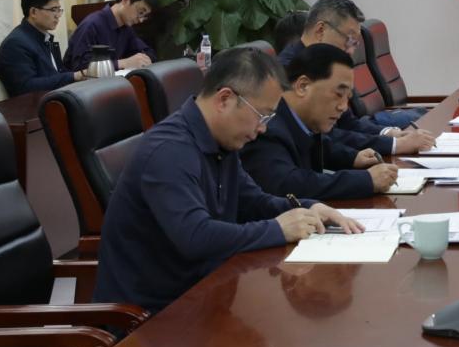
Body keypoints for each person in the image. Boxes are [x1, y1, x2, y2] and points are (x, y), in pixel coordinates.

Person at [94, 46, 361, 313]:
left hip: (203, 296)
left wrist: (307, 208)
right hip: (151, 317)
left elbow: (253, 202)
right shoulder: (169, 151)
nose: (263, 128)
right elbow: (196, 237)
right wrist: (278, 229)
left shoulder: (221, 141)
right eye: (262, 115)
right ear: (225, 99)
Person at [242, 43, 399, 200]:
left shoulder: (301, 120)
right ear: (303, 86)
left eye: (347, 98)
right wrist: (366, 180)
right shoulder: (266, 125)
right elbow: (288, 185)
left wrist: (354, 157)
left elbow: (322, 146)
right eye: (338, 94)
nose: (344, 107)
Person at [280, 0, 434, 154]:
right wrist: (394, 145)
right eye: (349, 40)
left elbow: (348, 123)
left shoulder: (328, 65)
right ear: (321, 30)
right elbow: (326, 138)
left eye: (355, 43)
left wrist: (390, 134)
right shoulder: (288, 72)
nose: (351, 51)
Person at [0, 0, 80, 95]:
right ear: (33, 12)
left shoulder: (43, 38)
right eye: (53, 10)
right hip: (34, 104)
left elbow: (58, 73)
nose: (58, 15)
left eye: (59, 10)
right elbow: (26, 87)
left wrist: (80, 76)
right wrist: (74, 76)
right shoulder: (15, 44)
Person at [64, 0, 158, 71]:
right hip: (80, 81)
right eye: (140, 12)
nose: (141, 20)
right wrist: (123, 63)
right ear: (126, 0)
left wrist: (145, 59)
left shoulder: (126, 29)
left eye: (144, 16)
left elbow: (147, 52)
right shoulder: (92, 24)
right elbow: (80, 66)